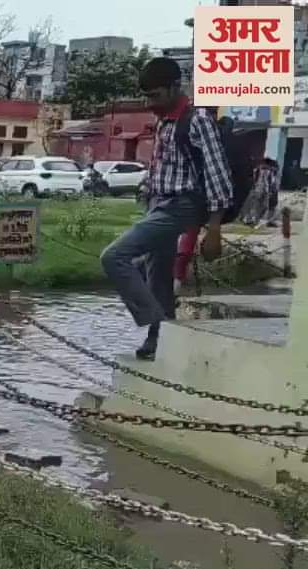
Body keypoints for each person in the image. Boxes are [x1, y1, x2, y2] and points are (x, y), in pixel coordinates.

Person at [100, 57, 233, 361]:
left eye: (156, 95)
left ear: (176, 88)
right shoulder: (164, 120)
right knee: (157, 273)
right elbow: (164, 167)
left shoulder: (197, 120)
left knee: (114, 256)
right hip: (158, 203)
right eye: (146, 96)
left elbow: (217, 174)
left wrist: (214, 229)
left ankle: (154, 319)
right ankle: (160, 336)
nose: (150, 103)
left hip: (181, 206)